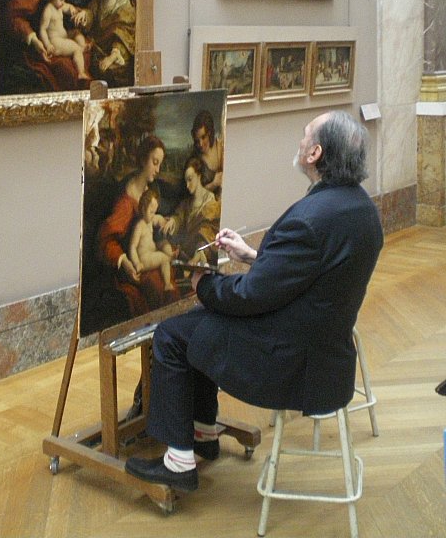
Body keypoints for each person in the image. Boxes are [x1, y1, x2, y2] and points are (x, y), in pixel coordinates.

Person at [125, 111, 383, 492]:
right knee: (199, 324)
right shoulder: (363, 209)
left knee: (170, 335)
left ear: (315, 154)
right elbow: (308, 272)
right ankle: (203, 434)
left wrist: (204, 284)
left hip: (285, 360)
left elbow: (249, 296)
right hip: (326, 354)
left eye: (305, 135)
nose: (299, 141)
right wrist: (252, 256)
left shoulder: (309, 218)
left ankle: (178, 463)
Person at [98, 135, 178, 318]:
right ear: (143, 160)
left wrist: (170, 220)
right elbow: (105, 240)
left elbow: (157, 219)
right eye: (155, 163)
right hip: (136, 267)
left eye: (160, 164)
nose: (158, 170)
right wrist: (126, 263)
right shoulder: (126, 201)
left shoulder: (151, 190)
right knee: (160, 289)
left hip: (151, 255)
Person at [74, 0, 136, 87]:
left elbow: (125, 36)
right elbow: (91, 14)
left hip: (117, 55)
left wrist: (113, 55)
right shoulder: (98, 0)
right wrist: (85, 14)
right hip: (97, 51)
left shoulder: (125, 5)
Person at [163, 157, 221, 269]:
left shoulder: (212, 203)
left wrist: (201, 251)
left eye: (190, 179)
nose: (187, 185)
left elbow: (211, 232)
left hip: (202, 254)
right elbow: (179, 216)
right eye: (186, 181)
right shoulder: (186, 203)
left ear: (199, 175)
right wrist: (173, 221)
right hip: (185, 255)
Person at [38, 0, 90, 81]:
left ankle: (82, 46)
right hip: (55, 42)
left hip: (63, 36)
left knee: (76, 33)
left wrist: (72, 9)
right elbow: (42, 30)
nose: (63, 2)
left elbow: (68, 7)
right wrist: (48, 45)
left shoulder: (59, 5)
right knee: (76, 49)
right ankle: (81, 72)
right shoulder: (48, 10)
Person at [129, 189, 175, 293]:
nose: (153, 215)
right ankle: (167, 284)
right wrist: (137, 263)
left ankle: (171, 255)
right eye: (151, 212)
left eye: (155, 212)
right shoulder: (140, 226)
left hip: (151, 252)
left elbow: (158, 219)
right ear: (143, 209)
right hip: (143, 258)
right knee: (164, 258)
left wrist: (164, 222)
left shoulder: (149, 219)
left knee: (164, 244)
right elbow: (132, 247)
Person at [191, 111, 223, 194]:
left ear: (209, 133)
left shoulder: (220, 146)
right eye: (197, 140)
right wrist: (214, 184)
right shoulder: (195, 158)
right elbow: (195, 192)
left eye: (203, 137)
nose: (200, 144)